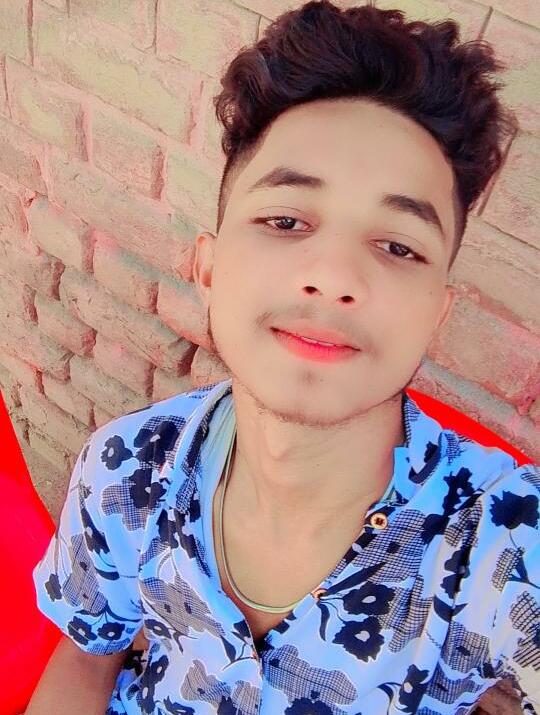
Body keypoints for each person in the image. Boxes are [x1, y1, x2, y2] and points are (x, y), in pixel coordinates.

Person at [28, 1, 539, 713]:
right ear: (208, 268)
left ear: (436, 314)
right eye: (286, 219)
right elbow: (87, 658)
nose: (332, 277)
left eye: (398, 245)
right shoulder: (125, 469)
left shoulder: (503, 542)